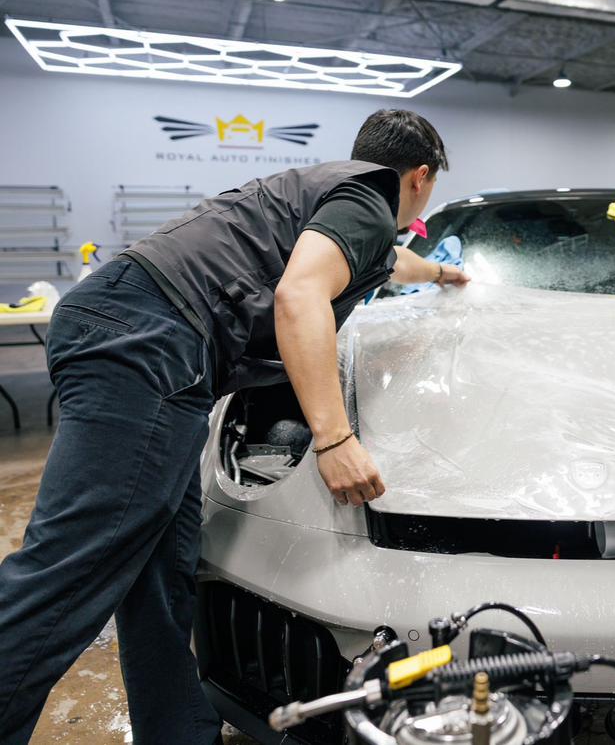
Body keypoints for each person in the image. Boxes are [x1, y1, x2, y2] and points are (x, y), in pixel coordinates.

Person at [0, 109, 469, 744]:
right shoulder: (369, 200)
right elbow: (299, 296)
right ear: (421, 177)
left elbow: (392, 263)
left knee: (161, 573)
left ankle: (180, 733)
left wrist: (444, 274)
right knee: (71, 567)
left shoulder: (334, 197)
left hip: (136, 329)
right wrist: (333, 437)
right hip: (147, 342)